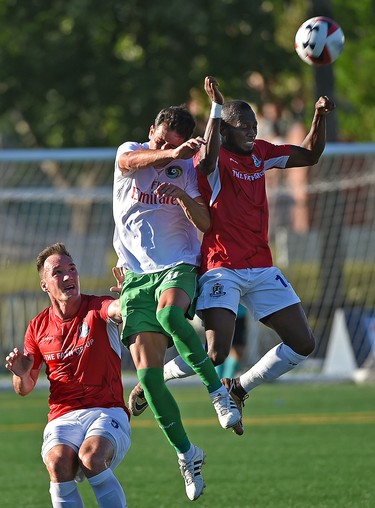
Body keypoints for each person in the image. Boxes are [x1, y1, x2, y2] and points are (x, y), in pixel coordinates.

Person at [128, 77, 335, 436]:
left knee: (304, 344)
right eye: (245, 128)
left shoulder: (262, 153)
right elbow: (205, 165)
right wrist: (216, 110)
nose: (253, 133)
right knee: (215, 354)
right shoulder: (212, 155)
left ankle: (239, 388)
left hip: (262, 265)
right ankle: (154, 379)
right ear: (225, 129)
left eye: (255, 127)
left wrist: (318, 116)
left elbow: (311, 155)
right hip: (221, 267)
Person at [112, 94, 241, 501]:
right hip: (136, 278)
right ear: (151, 132)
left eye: (172, 142)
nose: (163, 147)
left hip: (179, 267)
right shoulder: (131, 152)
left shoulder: (184, 168)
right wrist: (164, 153)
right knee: (149, 380)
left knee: (172, 316)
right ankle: (188, 453)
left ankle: (218, 392)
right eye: (160, 138)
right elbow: (130, 164)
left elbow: (206, 221)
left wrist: (182, 193)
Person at [5, 243, 131, 508]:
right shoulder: (37, 326)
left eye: (72, 270)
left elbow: (116, 309)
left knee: (92, 458)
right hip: (63, 414)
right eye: (58, 272)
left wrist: (126, 298)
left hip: (107, 410)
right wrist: (21, 373)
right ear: (45, 285)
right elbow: (24, 387)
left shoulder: (96, 308)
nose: (68, 277)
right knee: (57, 463)